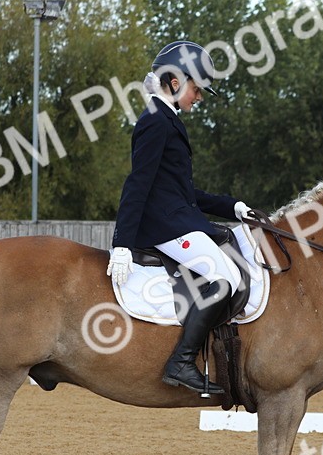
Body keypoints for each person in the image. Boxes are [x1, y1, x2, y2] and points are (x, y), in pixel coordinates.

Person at [107, 41, 252, 395]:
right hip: (165, 227)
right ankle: (181, 361)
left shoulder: (167, 119)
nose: (198, 98)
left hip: (176, 218)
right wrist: (121, 244)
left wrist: (231, 206)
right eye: (196, 89)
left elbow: (182, 192)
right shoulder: (156, 121)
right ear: (175, 82)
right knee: (224, 277)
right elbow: (138, 184)